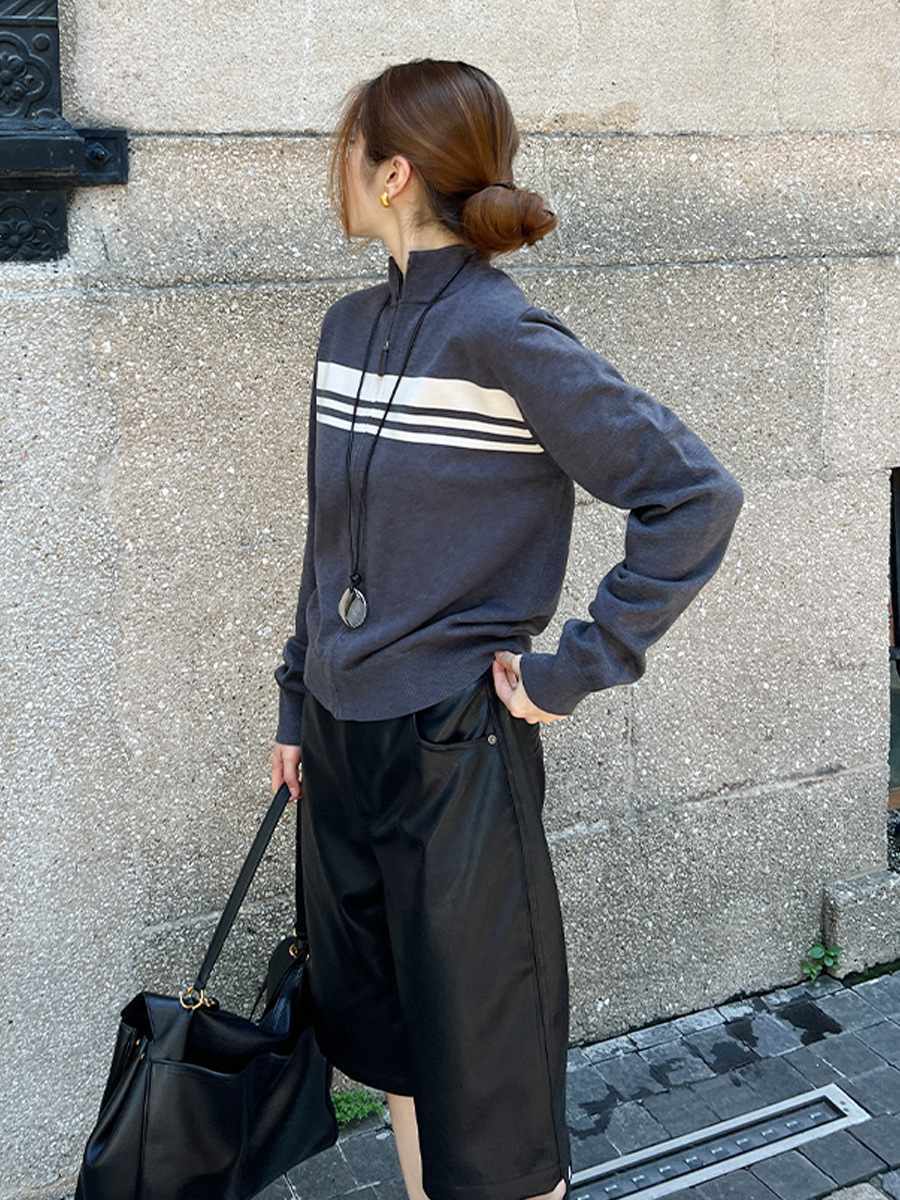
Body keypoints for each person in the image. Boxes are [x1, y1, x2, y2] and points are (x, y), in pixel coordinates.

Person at [271, 58, 744, 1200]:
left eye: (348, 150)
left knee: (488, 1079)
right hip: (339, 740)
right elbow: (329, 541)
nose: (336, 169)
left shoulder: (500, 331)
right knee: (392, 1033)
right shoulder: (348, 326)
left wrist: (573, 669)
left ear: (391, 173)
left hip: (453, 749)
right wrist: (296, 698)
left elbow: (694, 495)